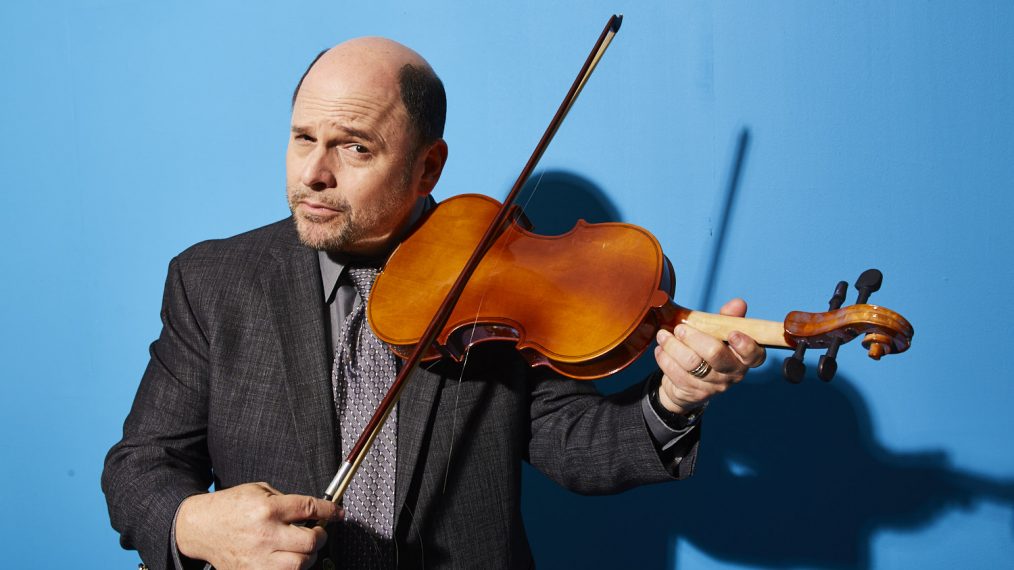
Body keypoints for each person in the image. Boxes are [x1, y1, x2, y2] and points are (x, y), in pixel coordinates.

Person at [102, 37, 766, 570]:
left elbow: (574, 443)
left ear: (428, 168)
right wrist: (193, 523)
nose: (313, 173)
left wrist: (673, 400)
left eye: (354, 147)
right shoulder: (213, 280)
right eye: (303, 137)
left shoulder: (494, 275)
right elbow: (140, 467)